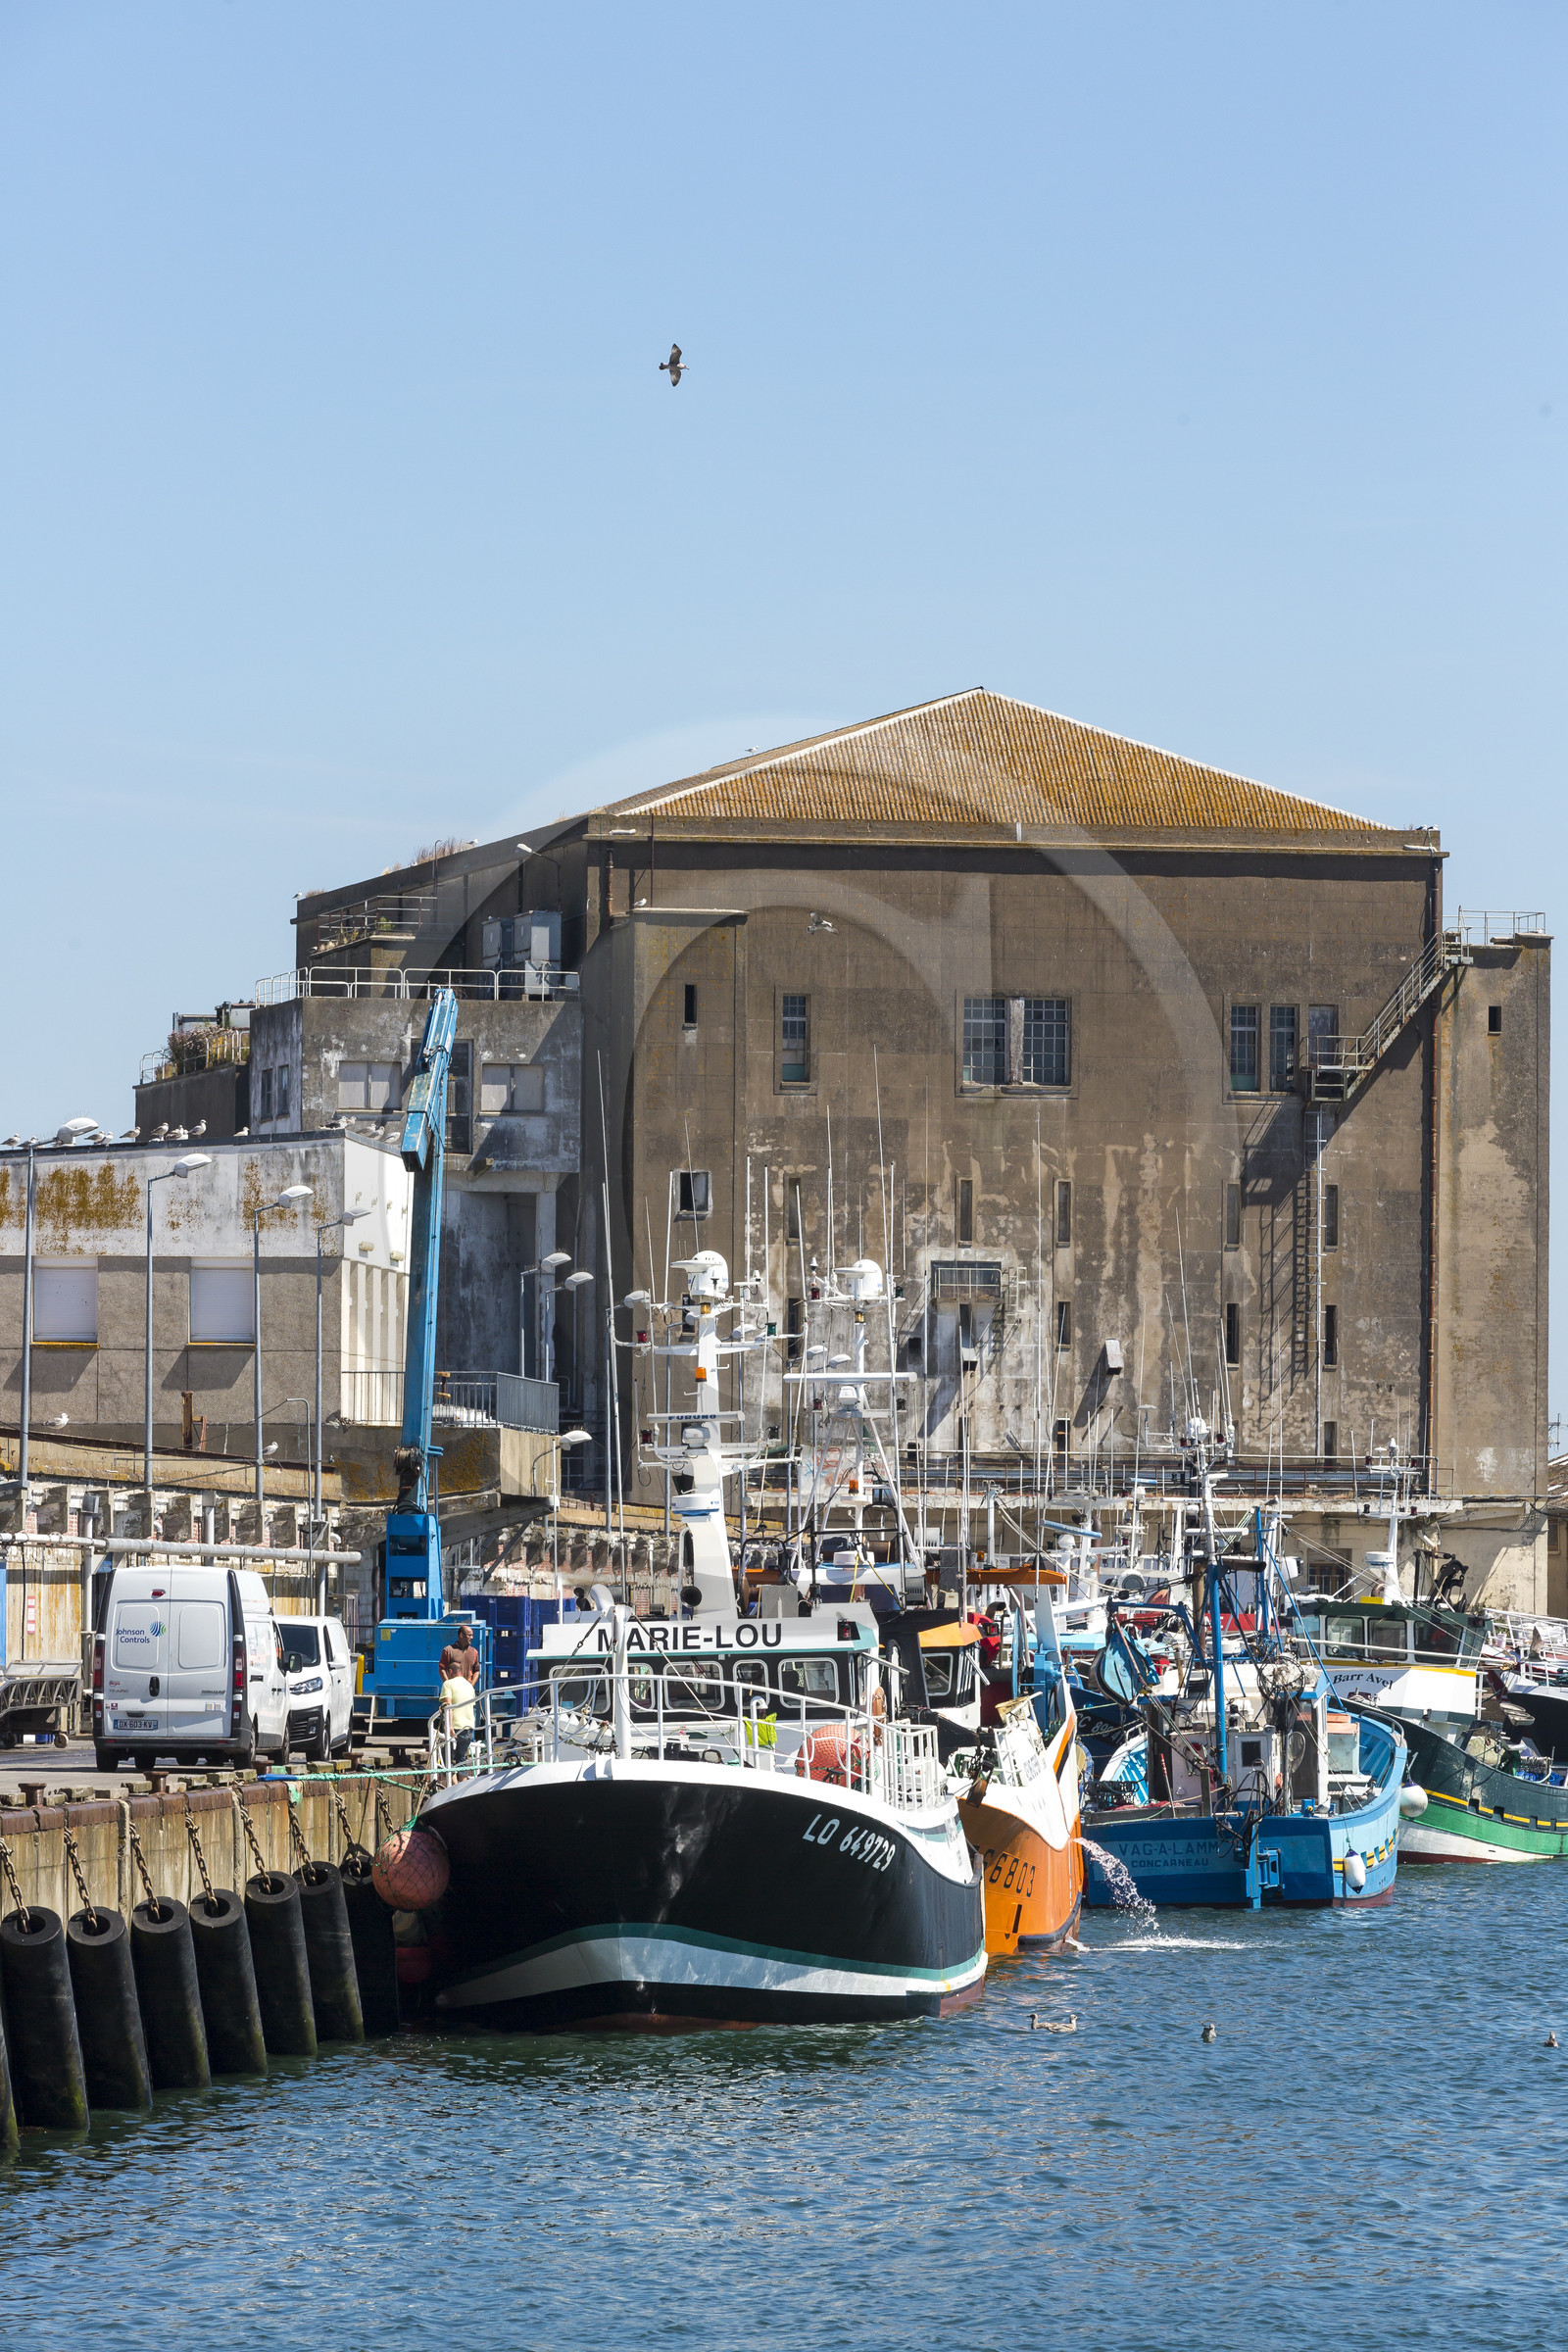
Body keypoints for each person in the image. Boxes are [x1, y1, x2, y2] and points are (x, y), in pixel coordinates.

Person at [435, 1644, 477, 1763]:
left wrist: (449, 1727)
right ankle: (461, 1781)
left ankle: (453, 1781)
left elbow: (448, 1707)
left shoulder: (448, 1684)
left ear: (450, 1671)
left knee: (446, 1760)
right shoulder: (469, 1686)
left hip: (456, 1727)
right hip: (469, 1727)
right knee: (461, 1759)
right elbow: (471, 1707)